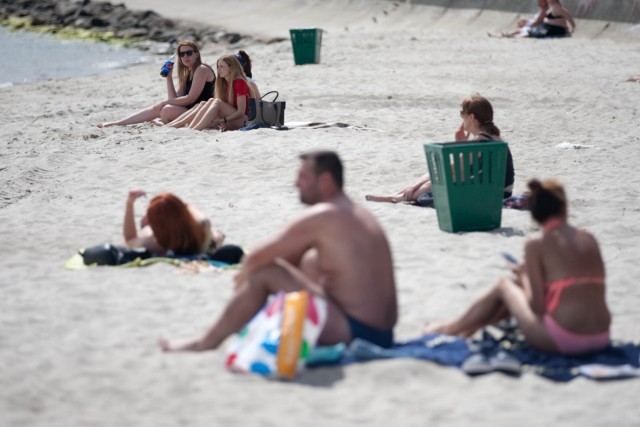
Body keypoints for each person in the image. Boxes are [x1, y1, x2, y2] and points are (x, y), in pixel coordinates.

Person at [159, 151, 398, 351]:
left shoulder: (324, 215)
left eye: (303, 177)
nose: (296, 183)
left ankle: (204, 343)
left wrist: (244, 282)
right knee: (310, 260)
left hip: (356, 332)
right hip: (383, 333)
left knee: (266, 272)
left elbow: (256, 257)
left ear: (325, 181)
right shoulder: (357, 212)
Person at [423, 179, 611, 356]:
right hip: (602, 337)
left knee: (505, 285)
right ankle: (467, 329)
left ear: (535, 214)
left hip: (566, 339)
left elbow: (536, 307)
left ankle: (451, 329)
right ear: (565, 208)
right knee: (515, 288)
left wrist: (523, 276)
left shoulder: (536, 244)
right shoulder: (589, 239)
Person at [365, 94, 515, 204]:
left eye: (463, 115)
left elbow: (454, 170)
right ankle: (400, 194)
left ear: (471, 117)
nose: (462, 120)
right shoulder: (495, 137)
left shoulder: (480, 142)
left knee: (439, 178)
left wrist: (461, 144)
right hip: (500, 192)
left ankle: (399, 196)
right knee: (438, 174)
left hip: (488, 195)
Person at [98, 41, 215, 128]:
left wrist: (164, 102)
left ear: (196, 54)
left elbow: (190, 99)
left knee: (166, 109)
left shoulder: (201, 69)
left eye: (189, 53)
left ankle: (164, 123)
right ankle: (118, 123)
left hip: (203, 113)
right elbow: (174, 99)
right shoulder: (189, 72)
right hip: (190, 111)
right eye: (182, 54)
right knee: (160, 108)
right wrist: (168, 77)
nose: (185, 57)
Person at [164, 55, 257, 131]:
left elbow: (241, 112)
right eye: (218, 67)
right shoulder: (226, 84)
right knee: (205, 102)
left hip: (244, 121)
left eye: (221, 67)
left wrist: (223, 119)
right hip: (231, 121)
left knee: (217, 102)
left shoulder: (239, 82)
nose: (218, 70)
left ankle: (195, 129)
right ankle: (184, 127)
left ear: (231, 68)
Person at [124, 190, 225, 256]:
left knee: (218, 237)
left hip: (201, 240)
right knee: (218, 236)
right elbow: (188, 207)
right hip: (198, 238)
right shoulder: (203, 224)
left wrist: (130, 204)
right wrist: (178, 207)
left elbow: (130, 239)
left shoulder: (156, 243)